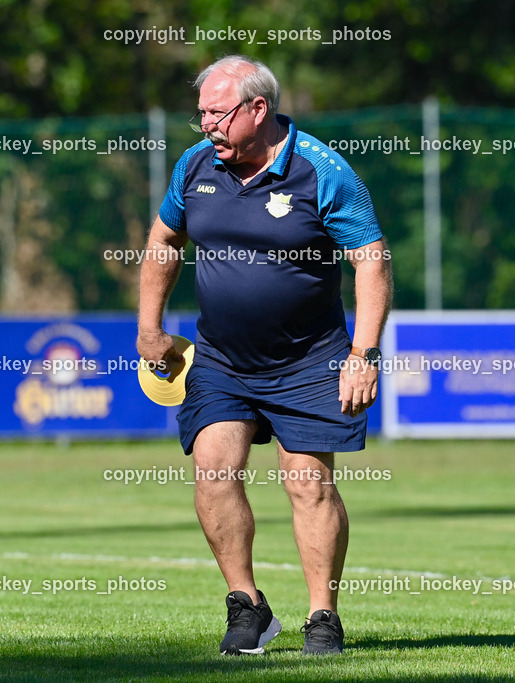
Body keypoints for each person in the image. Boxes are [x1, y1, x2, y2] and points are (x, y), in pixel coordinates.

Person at [136, 55, 392, 656]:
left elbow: (371, 260)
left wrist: (364, 353)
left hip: (309, 360)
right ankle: (247, 606)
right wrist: (150, 329)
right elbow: (163, 241)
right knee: (214, 474)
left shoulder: (322, 171)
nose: (206, 126)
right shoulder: (195, 165)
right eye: (200, 113)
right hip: (221, 360)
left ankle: (322, 616)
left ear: (258, 109)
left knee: (308, 486)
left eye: (218, 114)